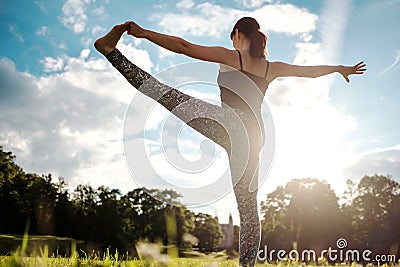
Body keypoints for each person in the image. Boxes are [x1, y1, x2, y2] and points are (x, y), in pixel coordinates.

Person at [94, 17, 366, 266]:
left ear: (237, 34)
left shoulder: (231, 57)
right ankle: (247, 265)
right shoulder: (271, 67)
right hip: (255, 139)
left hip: (231, 125)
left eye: (232, 36)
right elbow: (308, 71)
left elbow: (183, 46)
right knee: (249, 208)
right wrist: (340, 68)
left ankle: (109, 51)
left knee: (162, 93)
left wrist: (143, 33)